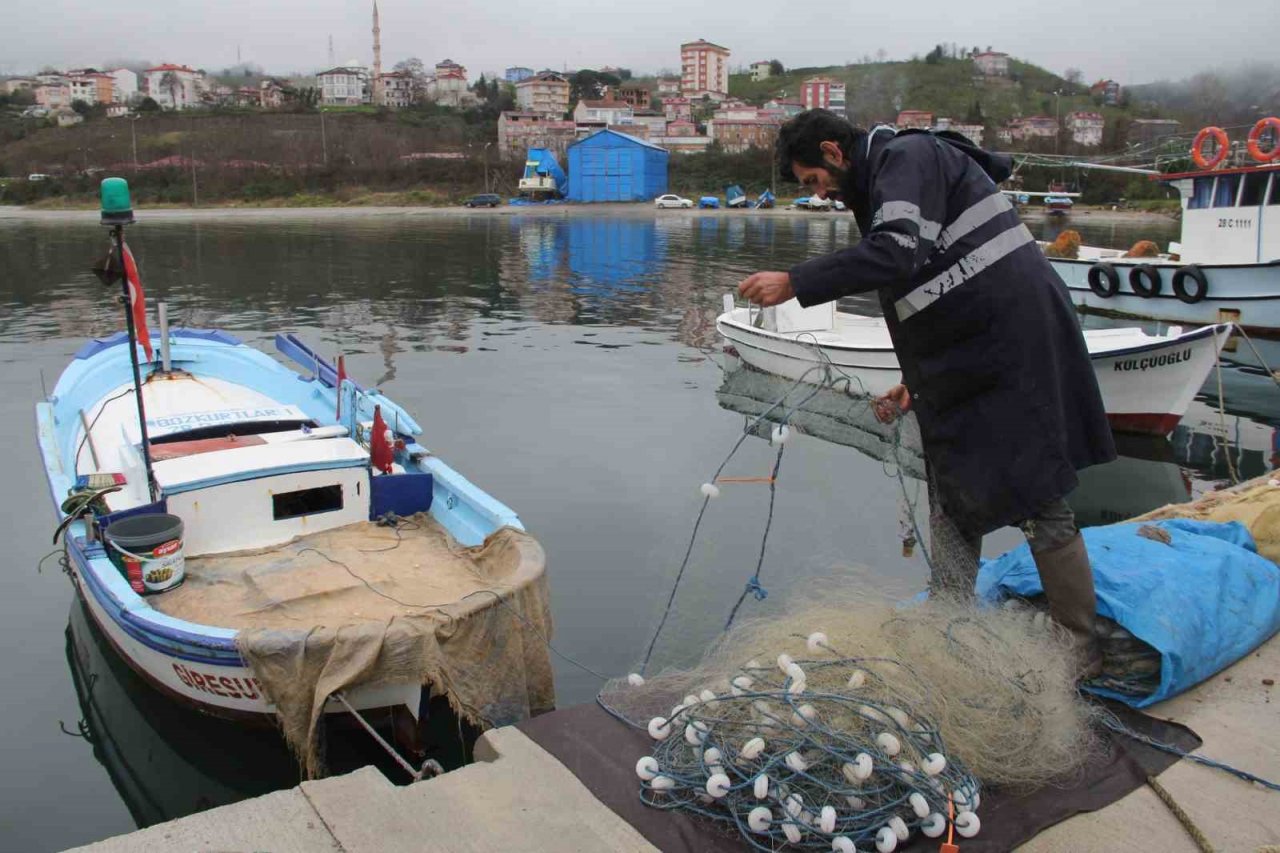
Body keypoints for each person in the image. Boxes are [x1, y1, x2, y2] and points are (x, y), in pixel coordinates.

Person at [739, 110, 1116, 676]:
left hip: (1010, 343)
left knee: (1037, 490)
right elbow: (930, 283)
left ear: (834, 152)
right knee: (952, 486)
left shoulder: (906, 158)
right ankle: (948, 622)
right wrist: (918, 379)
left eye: (814, 180)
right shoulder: (884, 181)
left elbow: (897, 252)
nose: (819, 194)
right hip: (967, 349)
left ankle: (1079, 644)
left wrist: (796, 281)